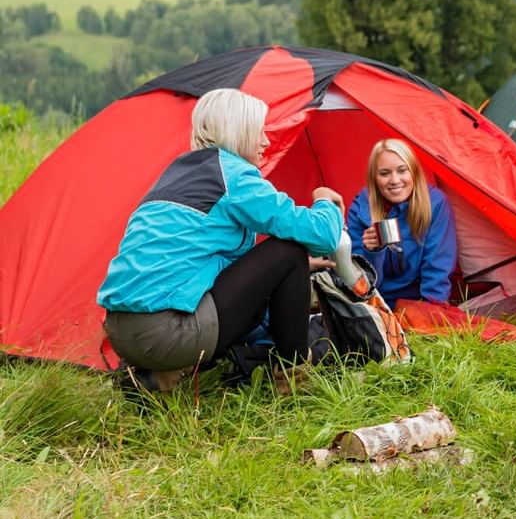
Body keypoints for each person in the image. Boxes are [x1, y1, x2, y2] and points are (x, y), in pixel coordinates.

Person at [97, 89, 344, 393]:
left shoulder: (177, 173)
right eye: (259, 132)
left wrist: (286, 275)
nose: (266, 142)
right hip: (167, 334)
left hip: (121, 333)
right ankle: (294, 378)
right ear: (238, 132)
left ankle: (157, 378)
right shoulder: (233, 176)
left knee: (283, 266)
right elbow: (322, 235)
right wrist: (325, 202)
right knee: (288, 250)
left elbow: (204, 263)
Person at [346, 138, 457, 310]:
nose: (394, 180)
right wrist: (373, 253)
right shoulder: (361, 210)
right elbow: (361, 284)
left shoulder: (435, 204)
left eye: (402, 170)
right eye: (384, 173)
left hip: (420, 301)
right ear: (374, 178)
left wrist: (431, 312)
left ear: (414, 172)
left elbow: (437, 267)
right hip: (377, 302)